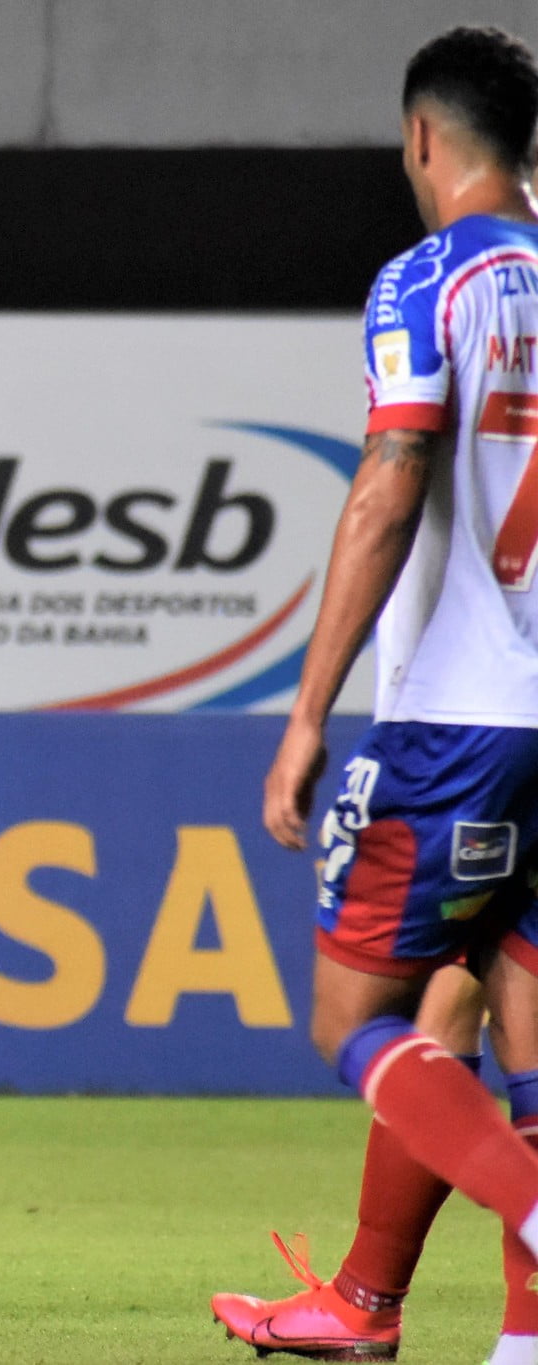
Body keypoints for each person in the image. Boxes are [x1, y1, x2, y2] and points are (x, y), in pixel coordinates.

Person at [213, 26, 538, 1365]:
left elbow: (393, 477)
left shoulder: (429, 278)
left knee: (355, 1016)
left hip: (464, 713)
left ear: (420, 137)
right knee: (513, 1020)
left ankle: (509, 1219)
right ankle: (467, 1328)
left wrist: (305, 713)